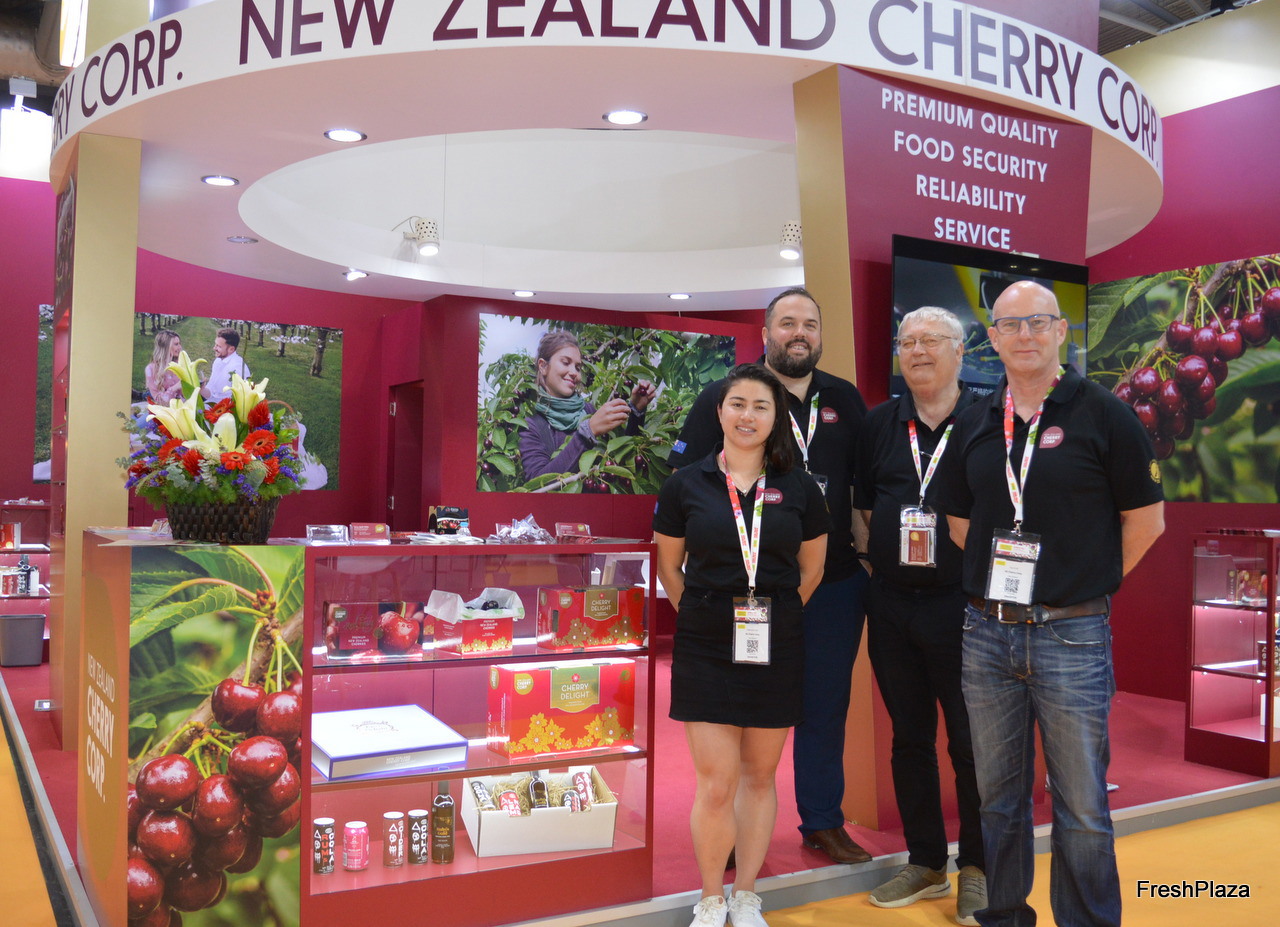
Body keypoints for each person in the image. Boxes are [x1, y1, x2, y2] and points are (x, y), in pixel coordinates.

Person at [934, 280, 1165, 927]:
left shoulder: (1105, 413)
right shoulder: (975, 420)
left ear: (1062, 330)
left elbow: (1146, 521)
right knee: (998, 798)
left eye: (1038, 322)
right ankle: (1005, 915)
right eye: (1011, 325)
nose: (1026, 335)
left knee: (1082, 803)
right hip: (986, 635)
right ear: (994, 338)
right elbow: (960, 521)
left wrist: (1082, 580)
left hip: (1072, 634)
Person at [668, 287, 872, 865]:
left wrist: (865, 556)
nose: (798, 333)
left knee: (824, 705)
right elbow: (683, 489)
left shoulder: (844, 399)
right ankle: (728, 830)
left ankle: (823, 820)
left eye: (809, 323)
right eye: (787, 323)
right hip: (742, 595)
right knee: (738, 710)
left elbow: (862, 489)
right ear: (766, 333)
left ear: (820, 335)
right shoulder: (728, 396)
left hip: (829, 583)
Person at [654, 363, 829, 927]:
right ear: (719, 412)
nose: (747, 416)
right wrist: (702, 614)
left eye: (760, 406)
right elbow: (669, 567)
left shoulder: (799, 487)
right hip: (705, 643)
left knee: (758, 777)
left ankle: (747, 895)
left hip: (776, 640)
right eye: (737, 404)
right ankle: (710, 899)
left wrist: (775, 616)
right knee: (715, 782)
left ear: (776, 419)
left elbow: (812, 568)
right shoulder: (685, 484)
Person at [853, 307, 985, 924]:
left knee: (970, 742)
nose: (918, 351)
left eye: (932, 340)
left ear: (960, 350)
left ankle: (978, 866)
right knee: (909, 739)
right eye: (907, 341)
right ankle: (927, 862)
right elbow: (864, 508)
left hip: (965, 605)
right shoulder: (880, 423)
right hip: (892, 606)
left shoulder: (988, 419)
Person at [518, 329, 655, 486]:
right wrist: (587, 433)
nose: (574, 373)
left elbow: (622, 459)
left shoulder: (589, 411)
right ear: (543, 366)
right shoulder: (532, 427)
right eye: (565, 362)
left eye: (577, 367)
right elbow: (537, 484)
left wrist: (636, 411)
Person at [202, 328, 250, 403]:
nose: (214, 348)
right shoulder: (218, 361)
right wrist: (202, 389)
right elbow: (211, 392)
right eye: (215, 345)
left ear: (231, 349)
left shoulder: (238, 368)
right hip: (211, 404)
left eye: (219, 346)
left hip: (227, 408)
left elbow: (241, 400)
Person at [144, 329, 184, 404]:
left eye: (179, 344)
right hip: (164, 408)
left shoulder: (181, 364)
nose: (180, 347)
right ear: (166, 347)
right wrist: (175, 388)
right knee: (147, 395)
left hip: (182, 406)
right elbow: (159, 401)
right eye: (176, 344)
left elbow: (187, 396)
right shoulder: (151, 369)